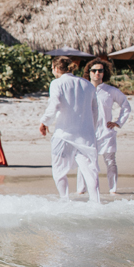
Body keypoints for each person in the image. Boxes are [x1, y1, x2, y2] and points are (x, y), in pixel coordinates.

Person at [40, 56, 100, 202]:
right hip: (85, 134)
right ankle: (96, 203)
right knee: (90, 170)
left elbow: (54, 104)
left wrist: (44, 122)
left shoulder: (57, 83)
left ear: (55, 68)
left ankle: (65, 200)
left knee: (59, 171)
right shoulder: (88, 84)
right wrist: (92, 128)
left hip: (64, 134)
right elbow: (95, 110)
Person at [77, 58, 130, 195]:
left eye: (100, 70)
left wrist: (118, 122)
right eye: (94, 70)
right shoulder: (83, 89)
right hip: (87, 131)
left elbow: (126, 105)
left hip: (106, 132)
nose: (97, 73)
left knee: (110, 161)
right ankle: (81, 190)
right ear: (89, 72)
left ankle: (113, 189)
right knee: (84, 161)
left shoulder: (110, 91)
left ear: (104, 73)